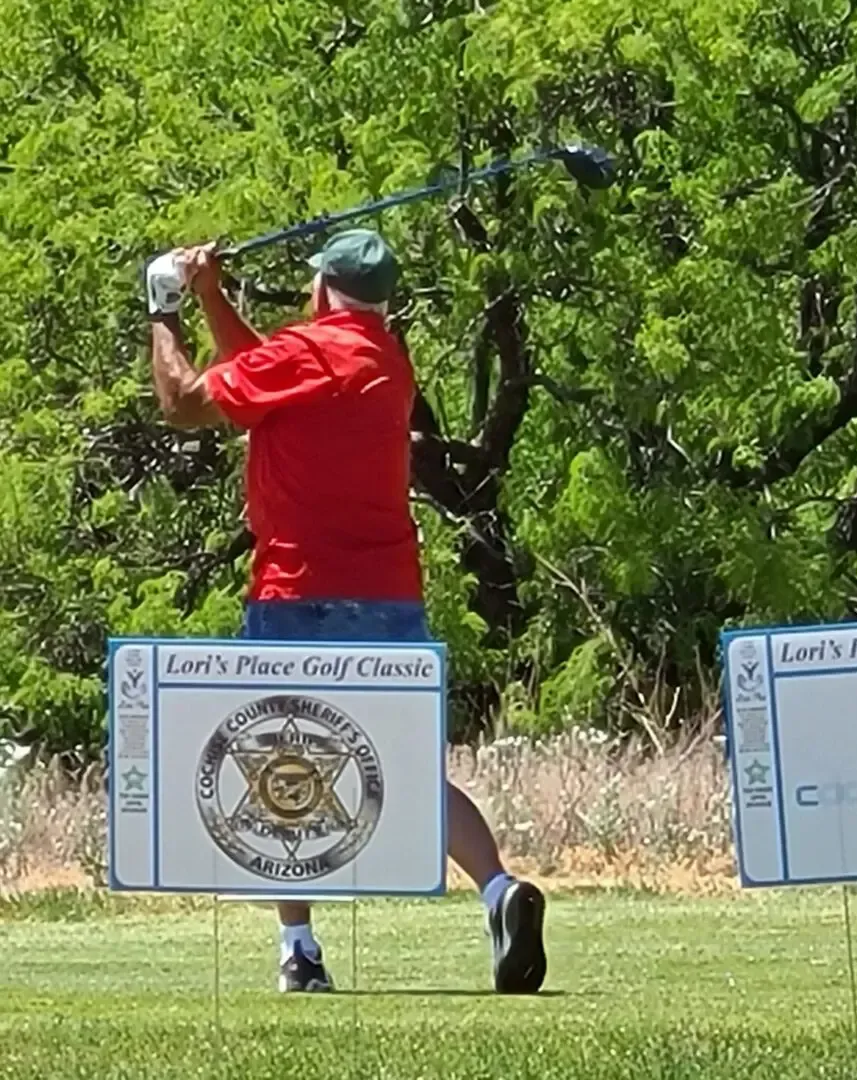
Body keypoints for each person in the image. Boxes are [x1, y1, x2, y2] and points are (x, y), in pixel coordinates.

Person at [144, 229, 547, 995]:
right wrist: (213, 296)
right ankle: (499, 890)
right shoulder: (384, 360)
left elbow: (185, 405)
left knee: (278, 766)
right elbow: (268, 371)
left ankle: (299, 947)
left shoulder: (303, 356)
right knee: (411, 769)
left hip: (297, 594)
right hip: (391, 597)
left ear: (323, 288)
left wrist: (164, 303)